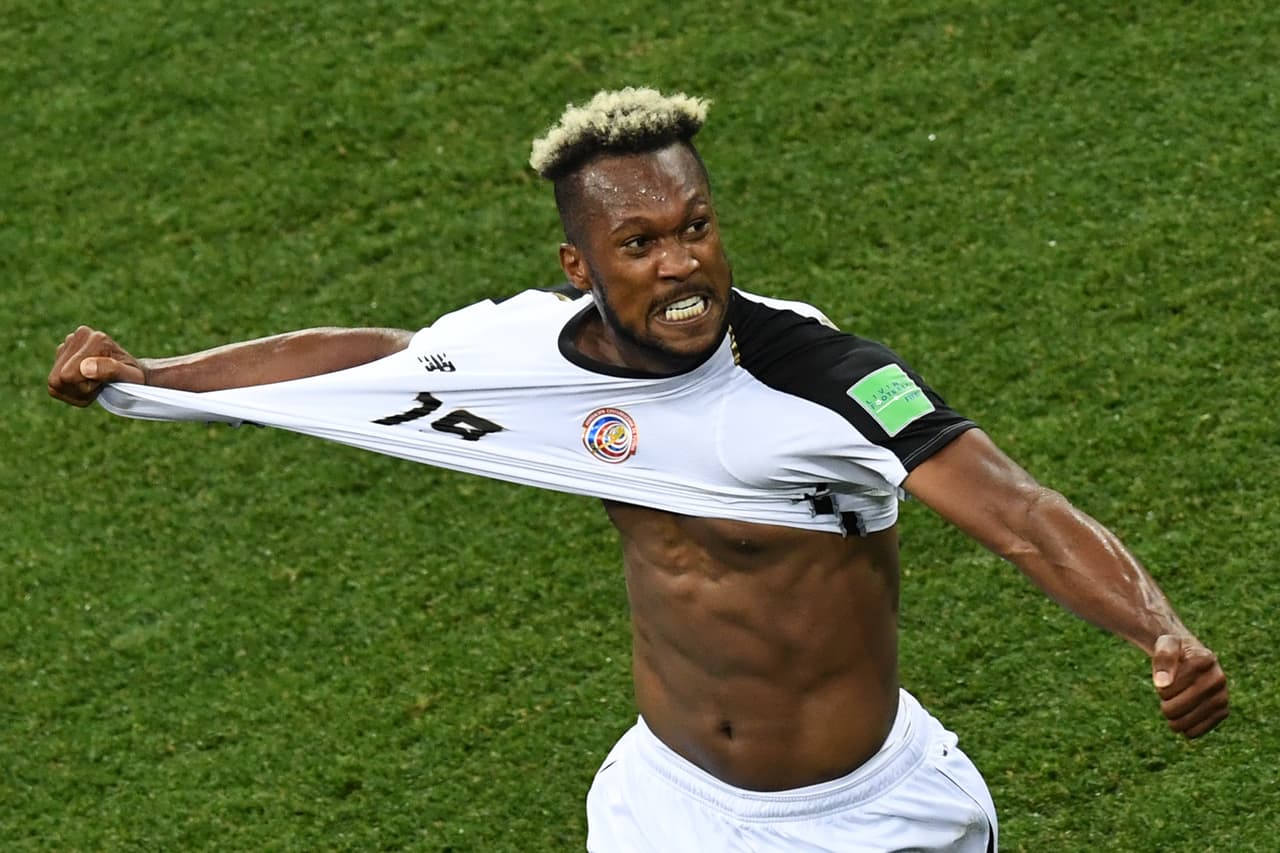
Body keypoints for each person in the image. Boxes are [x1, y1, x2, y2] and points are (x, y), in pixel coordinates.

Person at [48, 87, 1228, 852]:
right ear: (579, 265)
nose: (682, 265)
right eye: (640, 242)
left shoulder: (823, 377)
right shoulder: (528, 349)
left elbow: (1015, 511)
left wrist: (1155, 631)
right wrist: (158, 371)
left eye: (696, 226)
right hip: (670, 807)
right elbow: (375, 360)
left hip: (866, 816)